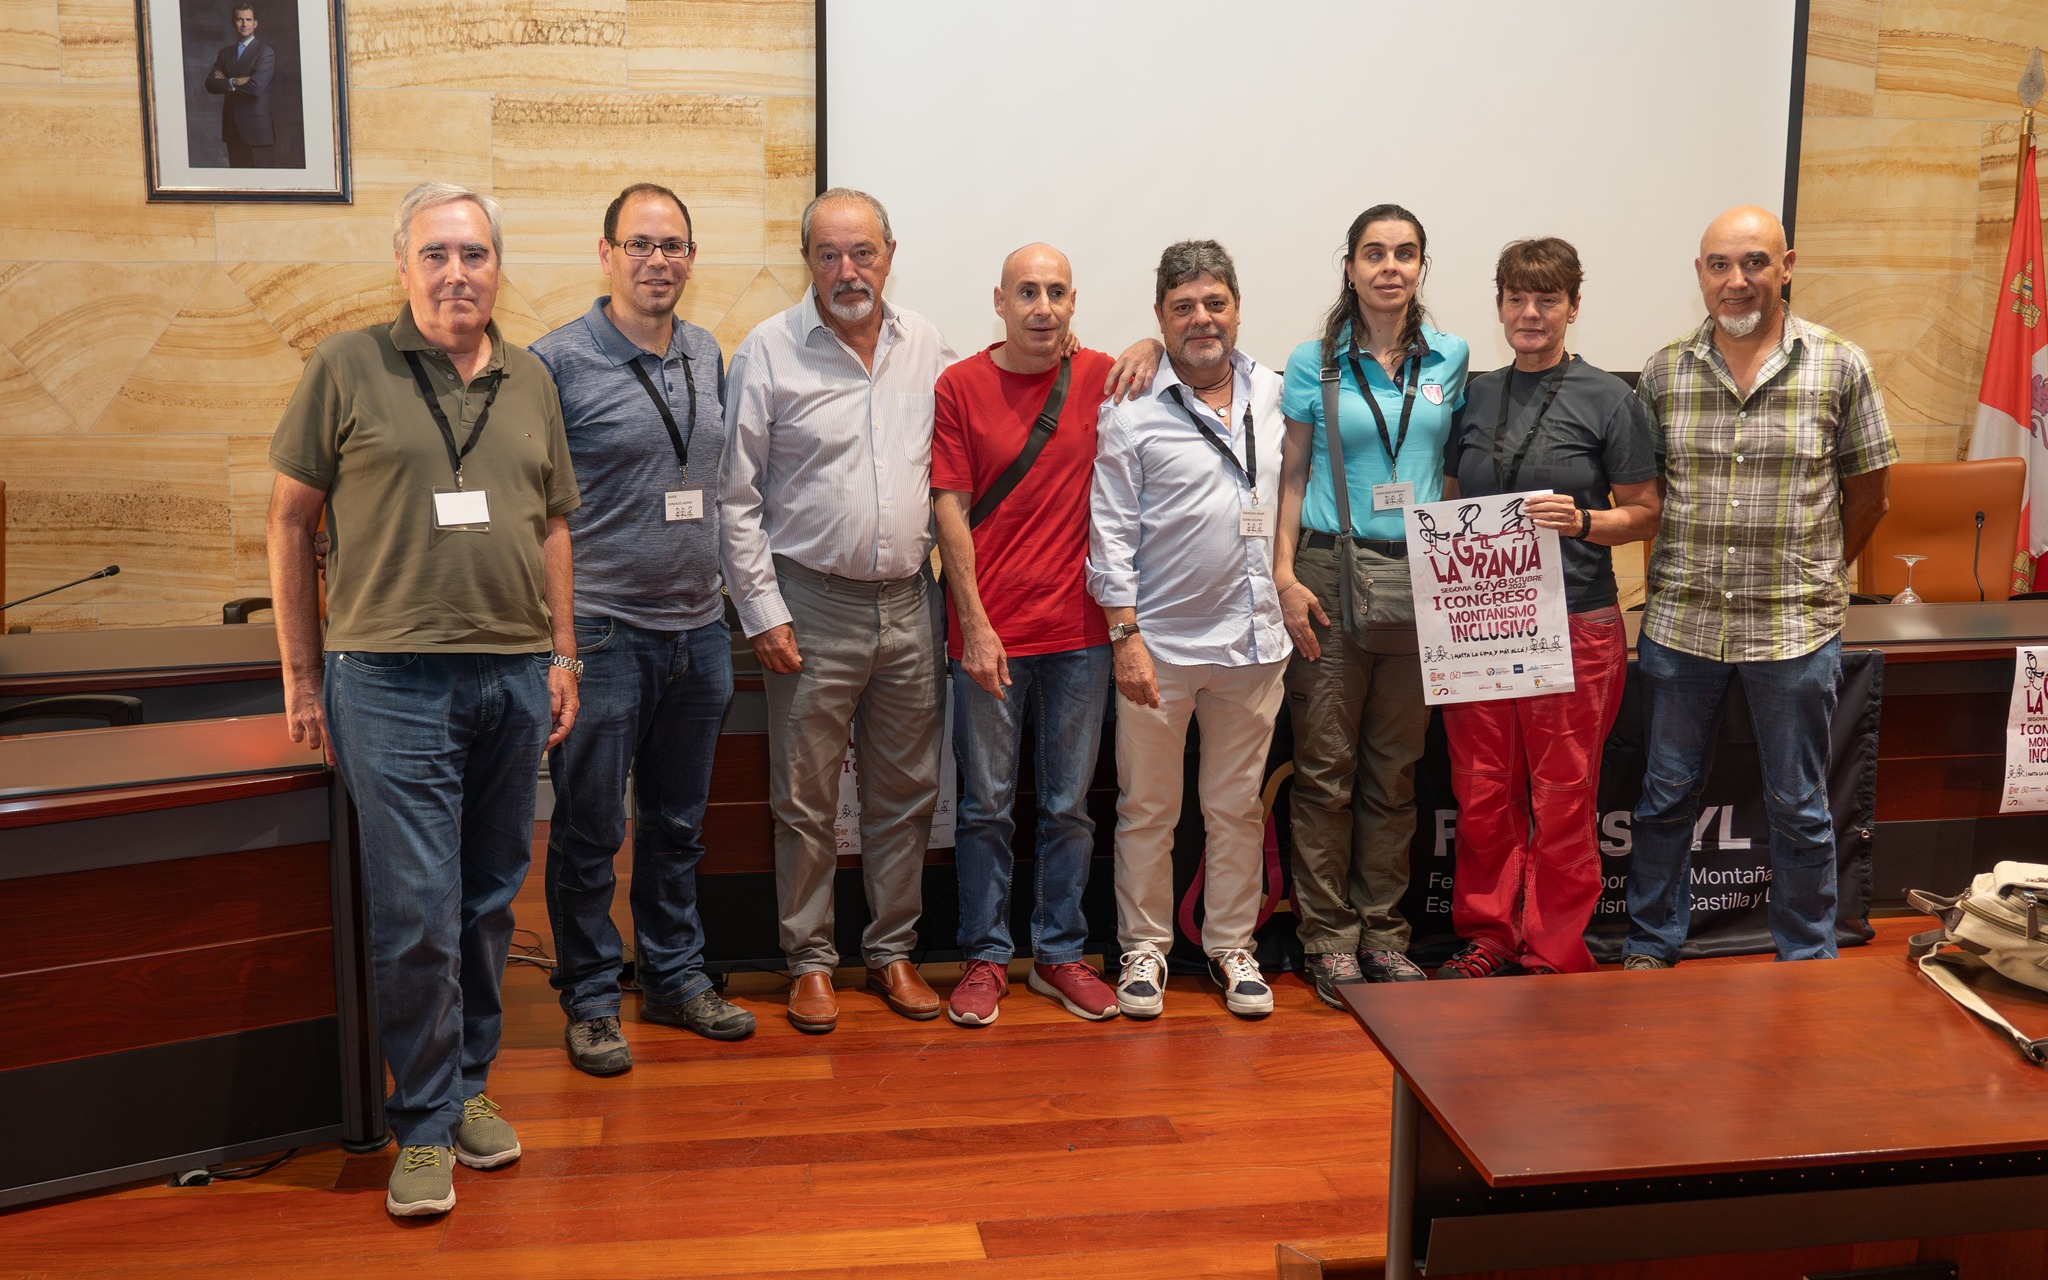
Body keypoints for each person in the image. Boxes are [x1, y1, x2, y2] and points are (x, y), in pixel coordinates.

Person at [266, 182, 580, 1218]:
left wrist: (561, 651)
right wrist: (301, 674)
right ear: (403, 268)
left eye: (476, 254)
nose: (458, 273)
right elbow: (286, 521)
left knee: (490, 899)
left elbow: (550, 527)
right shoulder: (345, 366)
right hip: (389, 680)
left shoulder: (531, 377)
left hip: (509, 673)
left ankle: (469, 1081)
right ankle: (425, 1120)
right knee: (414, 913)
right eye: (437, 254)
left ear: (498, 267)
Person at [1623, 205, 1894, 968]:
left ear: (1786, 266)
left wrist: (1817, 574)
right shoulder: (1663, 369)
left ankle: (1806, 956)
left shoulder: (1840, 365)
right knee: (1664, 801)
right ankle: (1650, 945)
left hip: (1794, 630)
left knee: (1800, 807)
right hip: (1682, 626)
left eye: (1753, 263)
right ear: (1701, 275)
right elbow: (1647, 498)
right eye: (1719, 265)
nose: (1736, 281)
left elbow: (1870, 495)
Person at [529, 182, 754, 1077]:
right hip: (604, 634)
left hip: (699, 634)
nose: (658, 261)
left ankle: (672, 978)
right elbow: (535, 510)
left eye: (674, 246)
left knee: (678, 827)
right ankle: (588, 999)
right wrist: (561, 648)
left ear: (691, 258)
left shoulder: (705, 349)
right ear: (607, 253)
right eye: (641, 245)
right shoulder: (557, 363)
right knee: (589, 832)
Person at [718, 187, 956, 1034]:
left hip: (910, 604)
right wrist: (763, 612)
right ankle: (810, 962)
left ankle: (892, 954)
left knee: (906, 794)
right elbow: (735, 498)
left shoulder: (927, 344)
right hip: (809, 605)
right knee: (806, 798)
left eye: (862, 253)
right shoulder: (769, 351)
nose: (846, 270)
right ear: (808, 261)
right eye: (828, 254)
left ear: (890, 253)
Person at [1434, 238, 1661, 978]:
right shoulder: (1473, 392)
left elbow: (1646, 512)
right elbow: (1451, 498)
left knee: (1564, 797)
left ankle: (1554, 948)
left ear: (1573, 306)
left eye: (1548, 300)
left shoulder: (1611, 400)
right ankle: (1490, 937)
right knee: (1482, 791)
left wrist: (1587, 522)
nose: (1530, 314)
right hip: (1480, 623)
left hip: (1574, 622)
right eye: (1517, 299)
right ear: (1499, 304)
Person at [1272, 205, 1469, 1005]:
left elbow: (1449, 477)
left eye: (1405, 253)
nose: (1390, 267)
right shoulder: (1312, 362)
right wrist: (1283, 577)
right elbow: (1289, 475)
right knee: (1326, 771)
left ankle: (1385, 935)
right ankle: (1328, 940)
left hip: (1420, 578)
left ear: (1422, 266)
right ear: (1348, 266)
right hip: (1327, 573)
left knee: (1397, 772)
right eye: (1374, 253)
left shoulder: (1450, 358)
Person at [1088, 239, 1290, 1021]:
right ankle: (1143, 950)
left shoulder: (1278, 392)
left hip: (1254, 645)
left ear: (1237, 307)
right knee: (1148, 809)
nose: (1201, 320)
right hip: (1160, 648)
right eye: (1183, 308)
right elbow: (1109, 533)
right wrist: (1124, 635)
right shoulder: (1129, 407)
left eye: (1214, 304)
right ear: (1160, 319)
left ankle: (1232, 946)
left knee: (1236, 807)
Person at [932, 244, 1119, 1027]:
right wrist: (973, 624)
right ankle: (983, 957)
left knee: (1070, 807)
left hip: (1080, 634)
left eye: (1057, 293)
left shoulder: (1104, 374)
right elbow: (948, 503)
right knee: (985, 807)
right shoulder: (960, 385)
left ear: (1074, 304)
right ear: (1000, 301)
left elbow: (1173, 366)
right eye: (1027, 293)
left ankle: (1059, 954)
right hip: (990, 636)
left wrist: (1144, 345)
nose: (1042, 306)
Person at [204, 4, 274, 168]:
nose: (244, 24)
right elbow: (210, 84)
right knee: (239, 186)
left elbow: (255, 88)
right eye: (239, 19)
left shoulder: (265, 52)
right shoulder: (225, 53)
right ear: (232, 23)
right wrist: (234, 81)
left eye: (248, 20)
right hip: (232, 129)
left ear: (255, 23)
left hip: (257, 131)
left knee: (262, 185)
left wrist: (225, 82)